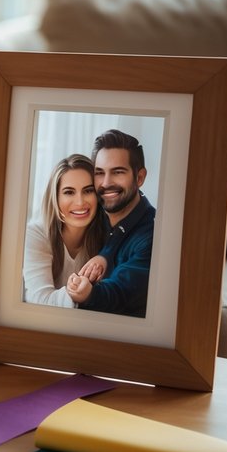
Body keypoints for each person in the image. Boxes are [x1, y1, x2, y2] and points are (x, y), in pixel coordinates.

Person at [67, 129, 155, 317]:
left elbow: (121, 293)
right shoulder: (89, 212)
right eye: (99, 173)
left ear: (139, 177)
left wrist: (88, 294)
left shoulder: (153, 234)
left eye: (118, 172)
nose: (106, 183)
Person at [22, 155, 109, 307]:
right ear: (55, 198)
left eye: (88, 191)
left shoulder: (109, 237)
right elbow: (40, 301)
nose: (80, 202)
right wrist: (78, 293)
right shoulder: (35, 234)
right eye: (69, 192)